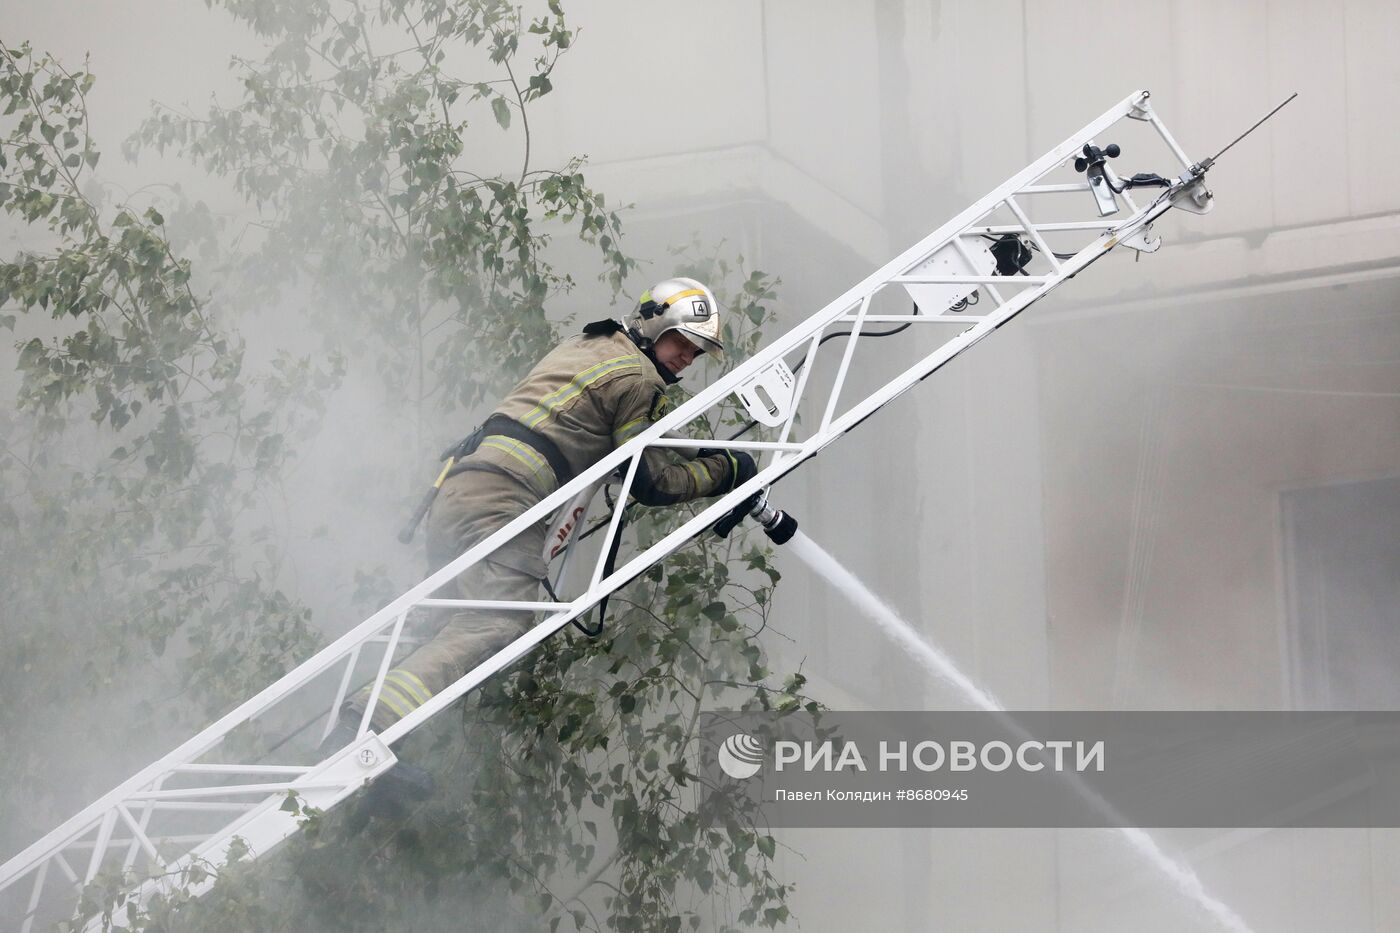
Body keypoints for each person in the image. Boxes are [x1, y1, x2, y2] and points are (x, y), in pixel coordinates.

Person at [338, 277, 757, 743]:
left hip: (459, 492)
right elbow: (653, 482)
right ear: (657, 323)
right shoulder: (640, 380)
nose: (687, 358)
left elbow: (594, 429)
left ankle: (367, 740)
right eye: (683, 342)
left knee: (444, 624)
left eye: (697, 352)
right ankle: (368, 727)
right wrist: (726, 471)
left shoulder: (590, 344)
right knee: (499, 620)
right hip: (505, 501)